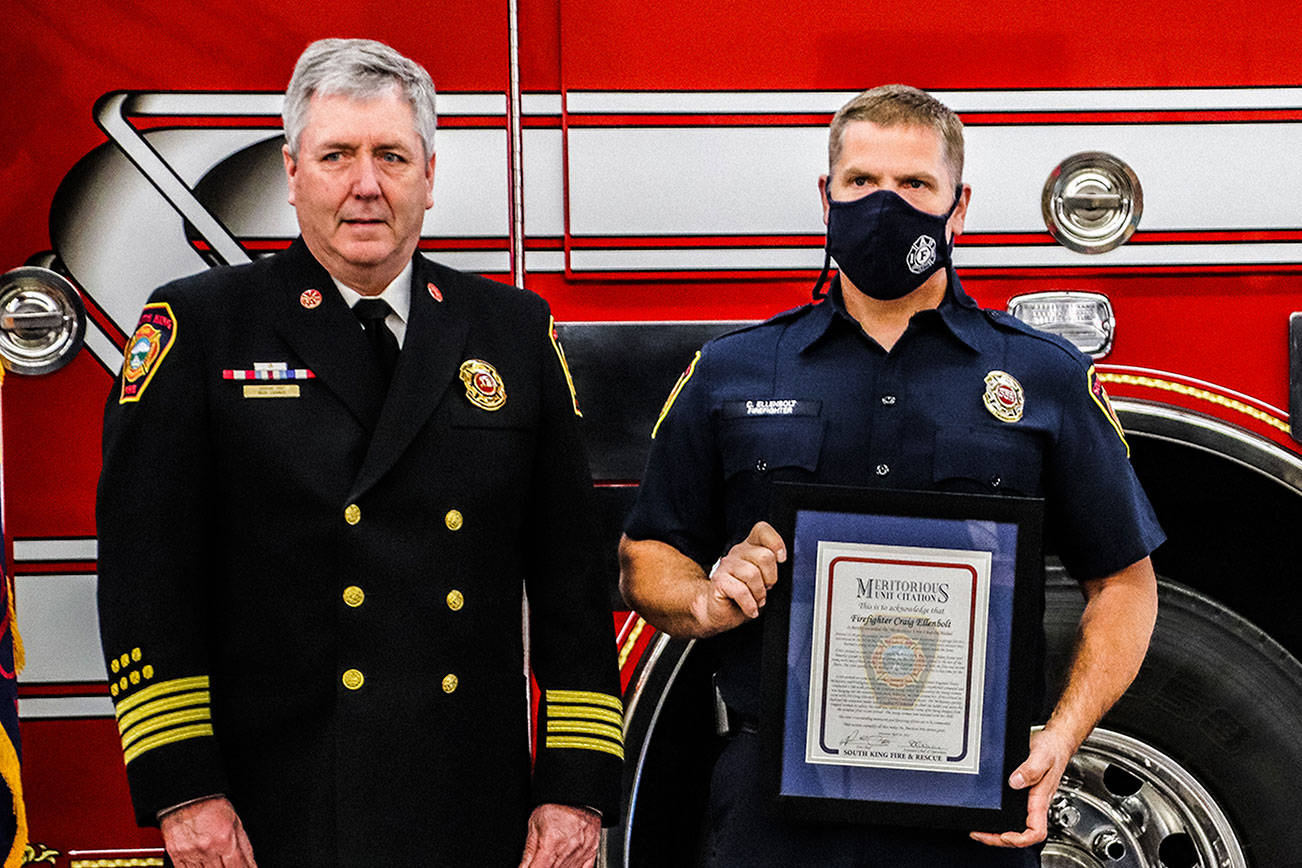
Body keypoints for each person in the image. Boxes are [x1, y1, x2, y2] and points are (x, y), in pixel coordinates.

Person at [97, 38, 622, 867]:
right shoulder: (202, 327)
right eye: (337, 155)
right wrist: (184, 788)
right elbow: (146, 572)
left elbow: (571, 581)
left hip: (471, 801)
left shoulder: (512, 333)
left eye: (391, 156)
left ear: (430, 175)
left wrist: (574, 787)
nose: (366, 184)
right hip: (274, 806)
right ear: (293, 170)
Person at [618, 85, 1162, 867]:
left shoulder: (1040, 378)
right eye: (862, 183)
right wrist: (704, 597)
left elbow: (1125, 582)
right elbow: (645, 558)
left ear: (958, 206)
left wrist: (1063, 736)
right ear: (826, 197)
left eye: (914, 186)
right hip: (776, 803)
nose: (885, 206)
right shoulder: (731, 371)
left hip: (972, 807)